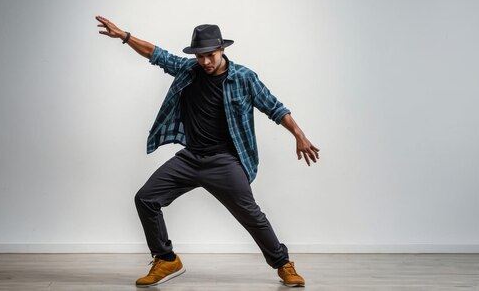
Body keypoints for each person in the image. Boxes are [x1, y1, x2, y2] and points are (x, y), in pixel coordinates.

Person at [95, 15, 319, 288]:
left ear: (222, 50)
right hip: (190, 158)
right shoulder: (189, 70)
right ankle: (166, 259)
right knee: (145, 199)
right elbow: (156, 54)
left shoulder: (244, 78)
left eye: (210, 55)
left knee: (252, 216)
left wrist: (300, 135)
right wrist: (125, 37)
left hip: (224, 162)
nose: (205, 62)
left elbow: (275, 107)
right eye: (200, 56)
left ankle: (283, 265)